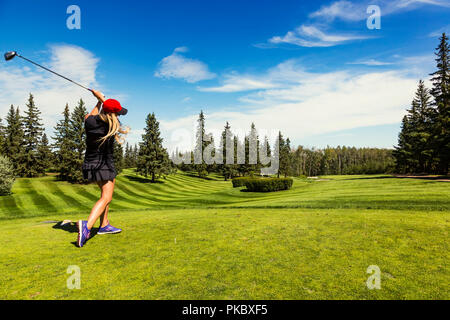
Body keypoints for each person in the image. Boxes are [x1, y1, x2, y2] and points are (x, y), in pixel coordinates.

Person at [77, 89, 129, 248]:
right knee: (107, 197)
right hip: (104, 164)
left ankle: (104, 225)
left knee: (105, 193)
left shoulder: (90, 122)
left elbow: (90, 115)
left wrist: (99, 100)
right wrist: (101, 98)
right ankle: (87, 226)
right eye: (118, 113)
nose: (119, 116)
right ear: (113, 114)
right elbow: (108, 117)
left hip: (90, 164)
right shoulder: (112, 124)